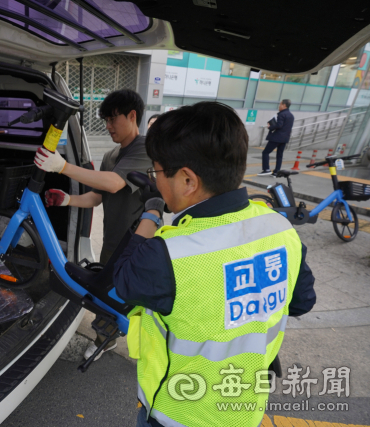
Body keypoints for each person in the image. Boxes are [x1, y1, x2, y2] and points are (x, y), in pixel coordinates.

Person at [113, 102, 315, 427]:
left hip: (177, 415)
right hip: (245, 410)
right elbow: (302, 302)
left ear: (188, 180)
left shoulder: (168, 254)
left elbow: (120, 281)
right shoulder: (280, 228)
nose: (156, 180)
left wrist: (152, 211)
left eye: (157, 171)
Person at [34, 89, 153, 362]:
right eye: (105, 121)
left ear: (132, 116)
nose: (108, 127)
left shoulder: (145, 149)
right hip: (113, 242)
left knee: (138, 298)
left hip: (138, 244)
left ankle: (149, 345)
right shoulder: (111, 155)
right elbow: (98, 196)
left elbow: (114, 183)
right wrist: (68, 200)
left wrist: (62, 167)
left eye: (113, 120)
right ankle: (105, 339)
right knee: (107, 296)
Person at [258, 99, 295, 176]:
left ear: (284, 105)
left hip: (277, 137)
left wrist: (270, 126)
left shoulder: (281, 114)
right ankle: (276, 172)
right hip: (285, 138)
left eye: (280, 104)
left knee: (265, 152)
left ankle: (266, 169)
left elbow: (279, 125)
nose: (279, 106)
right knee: (279, 155)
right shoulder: (291, 115)